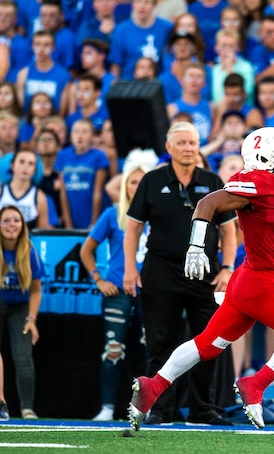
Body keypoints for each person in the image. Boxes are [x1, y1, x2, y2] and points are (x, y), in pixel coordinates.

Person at [127, 127, 274, 430]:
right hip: (258, 283)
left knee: (206, 346)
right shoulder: (258, 182)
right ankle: (255, 384)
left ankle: (152, 387)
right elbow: (206, 204)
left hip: (248, 281)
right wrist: (196, 245)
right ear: (264, 158)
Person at [123, 122, 236, 427]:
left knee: (209, 342)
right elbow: (132, 227)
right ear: (169, 148)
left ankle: (203, 409)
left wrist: (227, 268)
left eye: (193, 143)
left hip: (206, 274)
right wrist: (130, 268)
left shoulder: (213, 181)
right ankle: (160, 409)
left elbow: (229, 230)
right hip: (161, 270)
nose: (188, 148)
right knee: (161, 342)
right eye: (182, 143)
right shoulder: (152, 180)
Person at [79, 151, 157, 421]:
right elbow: (86, 250)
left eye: (142, 181)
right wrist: (99, 280)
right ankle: (107, 408)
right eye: (132, 182)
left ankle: (146, 409)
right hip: (117, 290)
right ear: (125, 185)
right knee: (114, 350)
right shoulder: (113, 214)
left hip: (151, 293)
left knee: (150, 351)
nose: (136, 186)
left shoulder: (158, 215)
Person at [0, 206, 44, 419]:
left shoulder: (29, 250)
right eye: (6, 220)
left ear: (22, 225)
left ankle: (27, 408)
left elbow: (36, 290)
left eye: (16, 220)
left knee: (23, 357)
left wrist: (32, 319)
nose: (11, 225)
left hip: (20, 307)